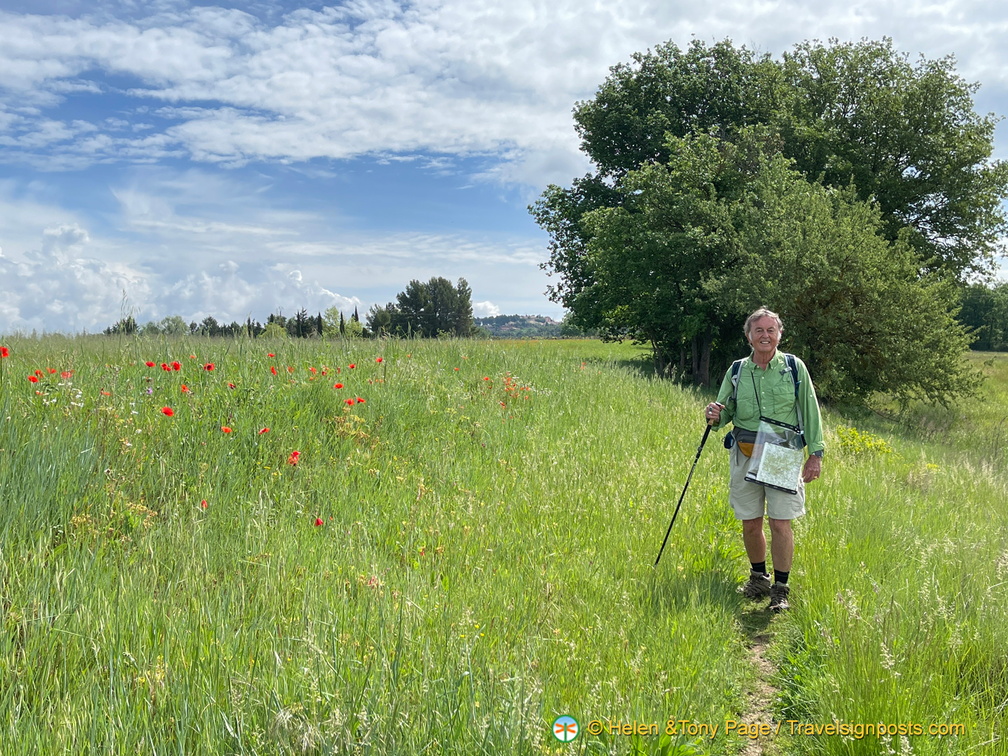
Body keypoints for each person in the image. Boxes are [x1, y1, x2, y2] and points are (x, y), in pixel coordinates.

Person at [704, 308, 824, 612]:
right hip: (745, 449)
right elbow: (724, 412)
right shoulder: (737, 371)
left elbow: (810, 411)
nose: (765, 336)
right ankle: (759, 578)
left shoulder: (794, 368)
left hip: (783, 451)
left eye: (771, 330)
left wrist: (816, 454)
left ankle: (781, 589)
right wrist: (714, 416)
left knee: (781, 522)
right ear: (748, 336)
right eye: (759, 330)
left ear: (780, 334)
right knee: (750, 521)